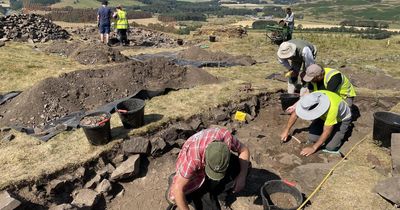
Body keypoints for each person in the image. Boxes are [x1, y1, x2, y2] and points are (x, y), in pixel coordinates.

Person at [166, 127, 250, 210]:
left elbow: (244, 150)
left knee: (245, 166)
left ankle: (219, 196)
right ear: (205, 160)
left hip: (205, 162)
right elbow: (178, 189)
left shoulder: (225, 136)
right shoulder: (192, 159)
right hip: (196, 175)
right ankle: (179, 177)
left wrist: (242, 176)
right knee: (179, 194)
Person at [280, 90, 352, 156]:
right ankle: (327, 128)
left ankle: (343, 130)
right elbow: (295, 114)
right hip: (323, 117)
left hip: (342, 119)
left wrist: (313, 148)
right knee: (312, 138)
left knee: (330, 147)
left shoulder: (333, 108)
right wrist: (286, 130)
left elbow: (327, 131)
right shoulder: (310, 98)